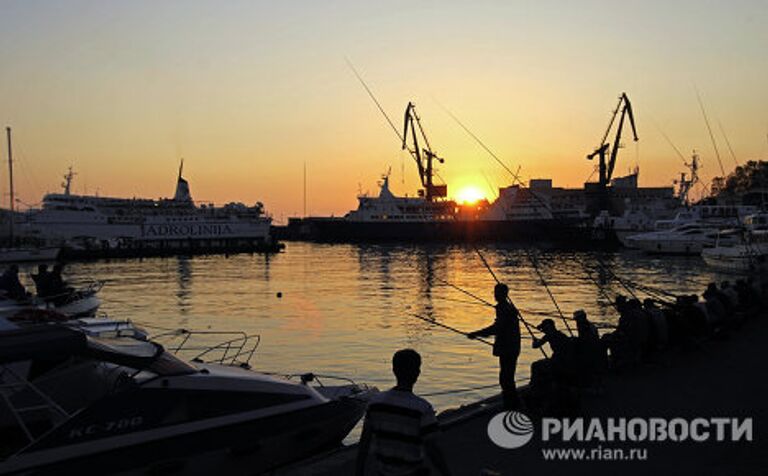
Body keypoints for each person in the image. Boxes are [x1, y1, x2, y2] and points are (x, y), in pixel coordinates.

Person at [356, 349, 452, 476]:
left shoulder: (375, 404)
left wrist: (359, 472)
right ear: (417, 373)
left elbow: (364, 444)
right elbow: (432, 449)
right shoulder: (422, 409)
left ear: (394, 370)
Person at [467, 283, 521, 410]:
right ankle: (512, 403)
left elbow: (497, 328)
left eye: (497, 293)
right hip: (511, 347)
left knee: (506, 378)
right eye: (495, 292)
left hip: (508, 349)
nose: (495, 295)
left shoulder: (504, 309)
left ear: (503, 294)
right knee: (507, 377)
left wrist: (477, 333)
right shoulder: (507, 308)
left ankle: (511, 405)